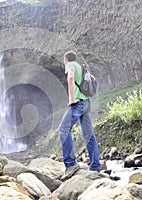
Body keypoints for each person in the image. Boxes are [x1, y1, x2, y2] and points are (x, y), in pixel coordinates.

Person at [59, 51, 100, 181]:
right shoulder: (80, 66)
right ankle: (95, 166)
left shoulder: (70, 65)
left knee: (63, 129)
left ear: (66, 59)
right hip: (86, 102)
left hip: (78, 103)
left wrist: (72, 98)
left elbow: (70, 78)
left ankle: (71, 164)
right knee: (89, 134)